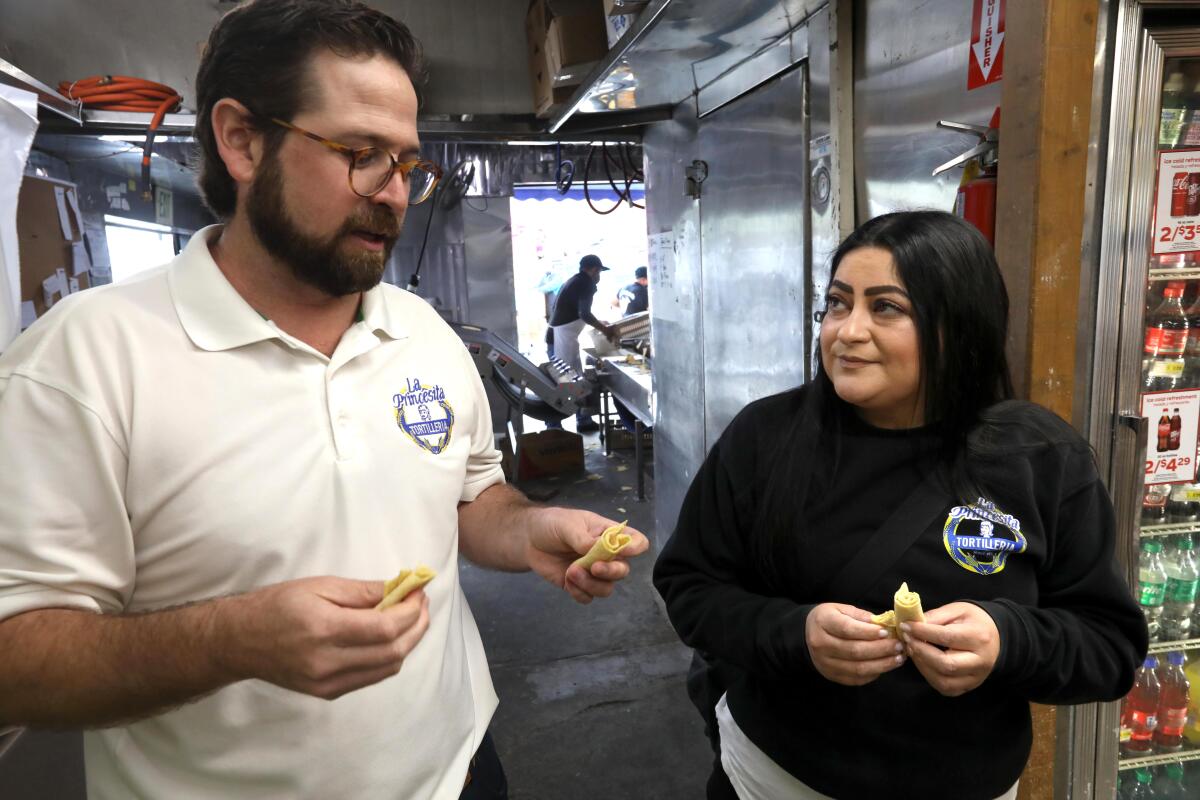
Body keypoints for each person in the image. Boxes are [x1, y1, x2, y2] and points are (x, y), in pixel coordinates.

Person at [0, 3, 648, 799]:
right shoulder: (84, 364)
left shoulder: (422, 334)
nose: (394, 195)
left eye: (407, 163)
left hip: (460, 770)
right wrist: (229, 642)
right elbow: (14, 661)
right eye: (361, 153)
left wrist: (528, 529)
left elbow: (469, 500)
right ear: (241, 140)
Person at [653, 210, 1147, 800]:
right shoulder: (766, 436)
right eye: (838, 303)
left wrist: (1006, 640)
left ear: (957, 326)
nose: (848, 330)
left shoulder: (1038, 457)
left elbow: (1109, 648)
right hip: (775, 777)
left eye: (885, 307)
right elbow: (690, 586)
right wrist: (797, 634)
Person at [549, 254, 615, 433]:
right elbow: (584, 313)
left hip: (559, 335)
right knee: (564, 382)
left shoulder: (574, 281)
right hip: (562, 337)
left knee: (573, 379)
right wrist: (604, 329)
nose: (599, 276)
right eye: (599, 271)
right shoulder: (587, 283)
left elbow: (575, 312)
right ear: (593, 269)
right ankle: (553, 425)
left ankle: (582, 420)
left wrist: (600, 322)